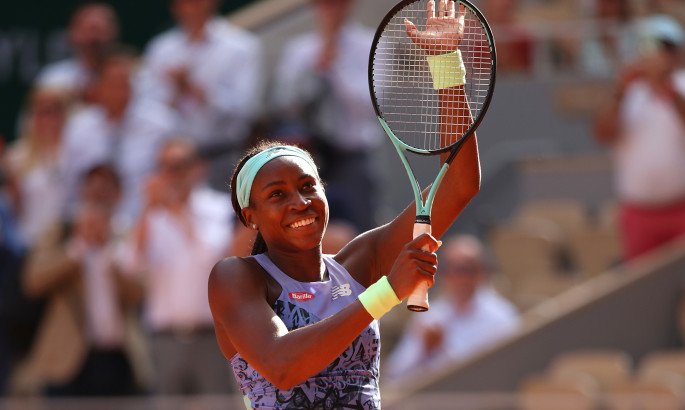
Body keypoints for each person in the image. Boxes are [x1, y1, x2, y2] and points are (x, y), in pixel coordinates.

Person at [208, 2, 481, 407]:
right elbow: (282, 366)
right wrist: (387, 292)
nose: (300, 202)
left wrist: (444, 64)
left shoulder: (360, 261)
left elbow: (458, 185)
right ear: (250, 216)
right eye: (277, 195)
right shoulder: (236, 277)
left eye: (307, 187)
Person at [9, 163, 149, 396]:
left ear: (119, 195)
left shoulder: (126, 235)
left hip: (119, 357)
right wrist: (78, 248)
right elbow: (33, 281)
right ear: (82, 192)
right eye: (93, 191)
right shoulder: (61, 230)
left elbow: (139, 292)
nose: (98, 198)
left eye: (105, 191)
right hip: (67, 360)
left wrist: (106, 252)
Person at [126, 138, 235, 395]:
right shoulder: (151, 215)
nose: (172, 175)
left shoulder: (219, 208)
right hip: (164, 336)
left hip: (211, 336)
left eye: (179, 166)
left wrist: (175, 211)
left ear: (198, 168)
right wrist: (147, 210)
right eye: (165, 167)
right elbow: (131, 266)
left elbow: (212, 260)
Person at [270, 0, 384, 230]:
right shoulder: (298, 49)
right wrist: (316, 67)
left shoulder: (371, 44)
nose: (330, 9)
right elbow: (285, 103)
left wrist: (335, 67)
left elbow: (370, 104)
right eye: (324, 3)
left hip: (351, 155)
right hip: (307, 158)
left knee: (359, 231)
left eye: (336, 3)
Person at [138, 0, 263, 190]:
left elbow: (247, 108)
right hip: (177, 163)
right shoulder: (161, 49)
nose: (191, 6)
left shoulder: (240, 46)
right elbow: (148, 109)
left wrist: (197, 91)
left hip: (225, 154)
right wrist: (175, 92)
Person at [593, 14, 685, 261]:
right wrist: (620, 92)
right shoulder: (625, 92)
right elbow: (602, 134)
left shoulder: (682, 85)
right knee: (643, 282)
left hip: (682, 210)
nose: (657, 56)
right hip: (638, 214)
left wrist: (669, 91)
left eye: (665, 48)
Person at [59, 47, 176, 229]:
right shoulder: (79, 128)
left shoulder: (161, 125)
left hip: (144, 223)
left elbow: (171, 179)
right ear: (98, 87)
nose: (118, 91)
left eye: (124, 83)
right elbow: (69, 183)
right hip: (91, 227)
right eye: (111, 83)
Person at [384, 235, 519, 386]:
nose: (456, 277)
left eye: (464, 269)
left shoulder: (502, 317)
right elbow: (395, 374)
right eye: (448, 269)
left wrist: (442, 348)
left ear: (481, 272)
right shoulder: (429, 317)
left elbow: (500, 371)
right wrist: (424, 351)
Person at [4, 87, 71, 246]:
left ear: (62, 115)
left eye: (52, 112)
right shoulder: (15, 156)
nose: (47, 119)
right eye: (40, 113)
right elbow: (12, 211)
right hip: (28, 243)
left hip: (65, 243)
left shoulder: (75, 153)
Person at [35, 3, 119, 103]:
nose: (93, 39)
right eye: (88, 30)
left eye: (100, 31)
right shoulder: (53, 78)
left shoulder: (131, 77)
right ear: (73, 33)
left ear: (114, 33)